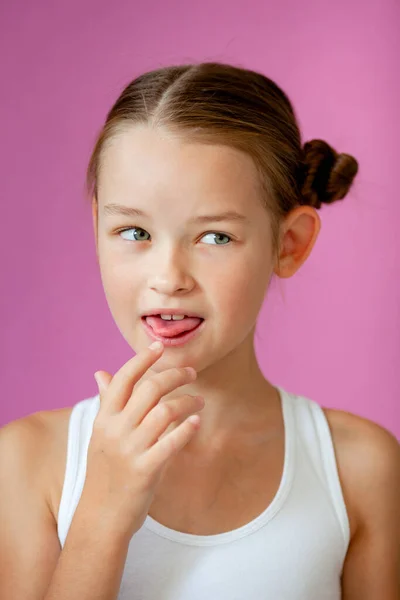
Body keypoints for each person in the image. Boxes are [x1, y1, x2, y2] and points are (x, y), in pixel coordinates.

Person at [0, 61, 399, 600]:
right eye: (134, 231)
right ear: (97, 225)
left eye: (214, 237)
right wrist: (101, 520)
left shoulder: (361, 469)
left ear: (290, 243)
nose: (168, 278)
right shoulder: (27, 464)